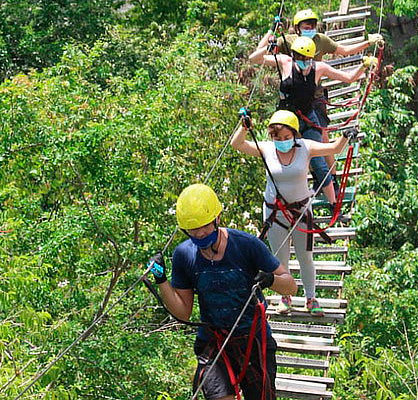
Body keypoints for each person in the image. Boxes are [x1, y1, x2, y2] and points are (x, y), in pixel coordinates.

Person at [148, 183, 297, 400]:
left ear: (217, 218)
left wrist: (269, 279)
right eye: (192, 230)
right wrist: (161, 280)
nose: (199, 234)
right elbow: (183, 313)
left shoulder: (246, 245)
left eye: (204, 226)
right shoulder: (184, 255)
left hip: (252, 341)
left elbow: (290, 285)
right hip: (214, 341)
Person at [230, 109, 358, 315]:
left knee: (305, 256)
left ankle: (311, 299)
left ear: (295, 134)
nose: (282, 141)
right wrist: (244, 127)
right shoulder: (267, 149)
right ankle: (285, 297)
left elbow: (333, 147)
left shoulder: (305, 147)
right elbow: (237, 144)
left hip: (300, 211)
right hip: (275, 213)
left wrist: (345, 135)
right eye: (277, 137)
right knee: (280, 258)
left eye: (287, 137)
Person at [249, 35, 376, 214]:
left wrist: (364, 65)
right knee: (280, 159)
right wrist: (268, 47)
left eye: (306, 58)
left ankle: (333, 203)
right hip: (285, 121)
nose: (302, 61)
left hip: (307, 119)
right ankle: (285, 202)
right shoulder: (285, 62)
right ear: (293, 55)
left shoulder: (319, 68)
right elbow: (254, 59)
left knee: (318, 162)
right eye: (299, 57)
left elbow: (348, 78)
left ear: (312, 57)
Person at [275, 8, 383, 192]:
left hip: (314, 95)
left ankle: (331, 178)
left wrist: (368, 43)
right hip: (292, 98)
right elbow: (269, 55)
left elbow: (344, 50)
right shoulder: (286, 42)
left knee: (321, 136)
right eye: (306, 26)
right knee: (298, 142)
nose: (310, 28)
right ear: (297, 27)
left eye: (313, 25)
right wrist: (272, 32)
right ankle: (317, 177)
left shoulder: (320, 40)